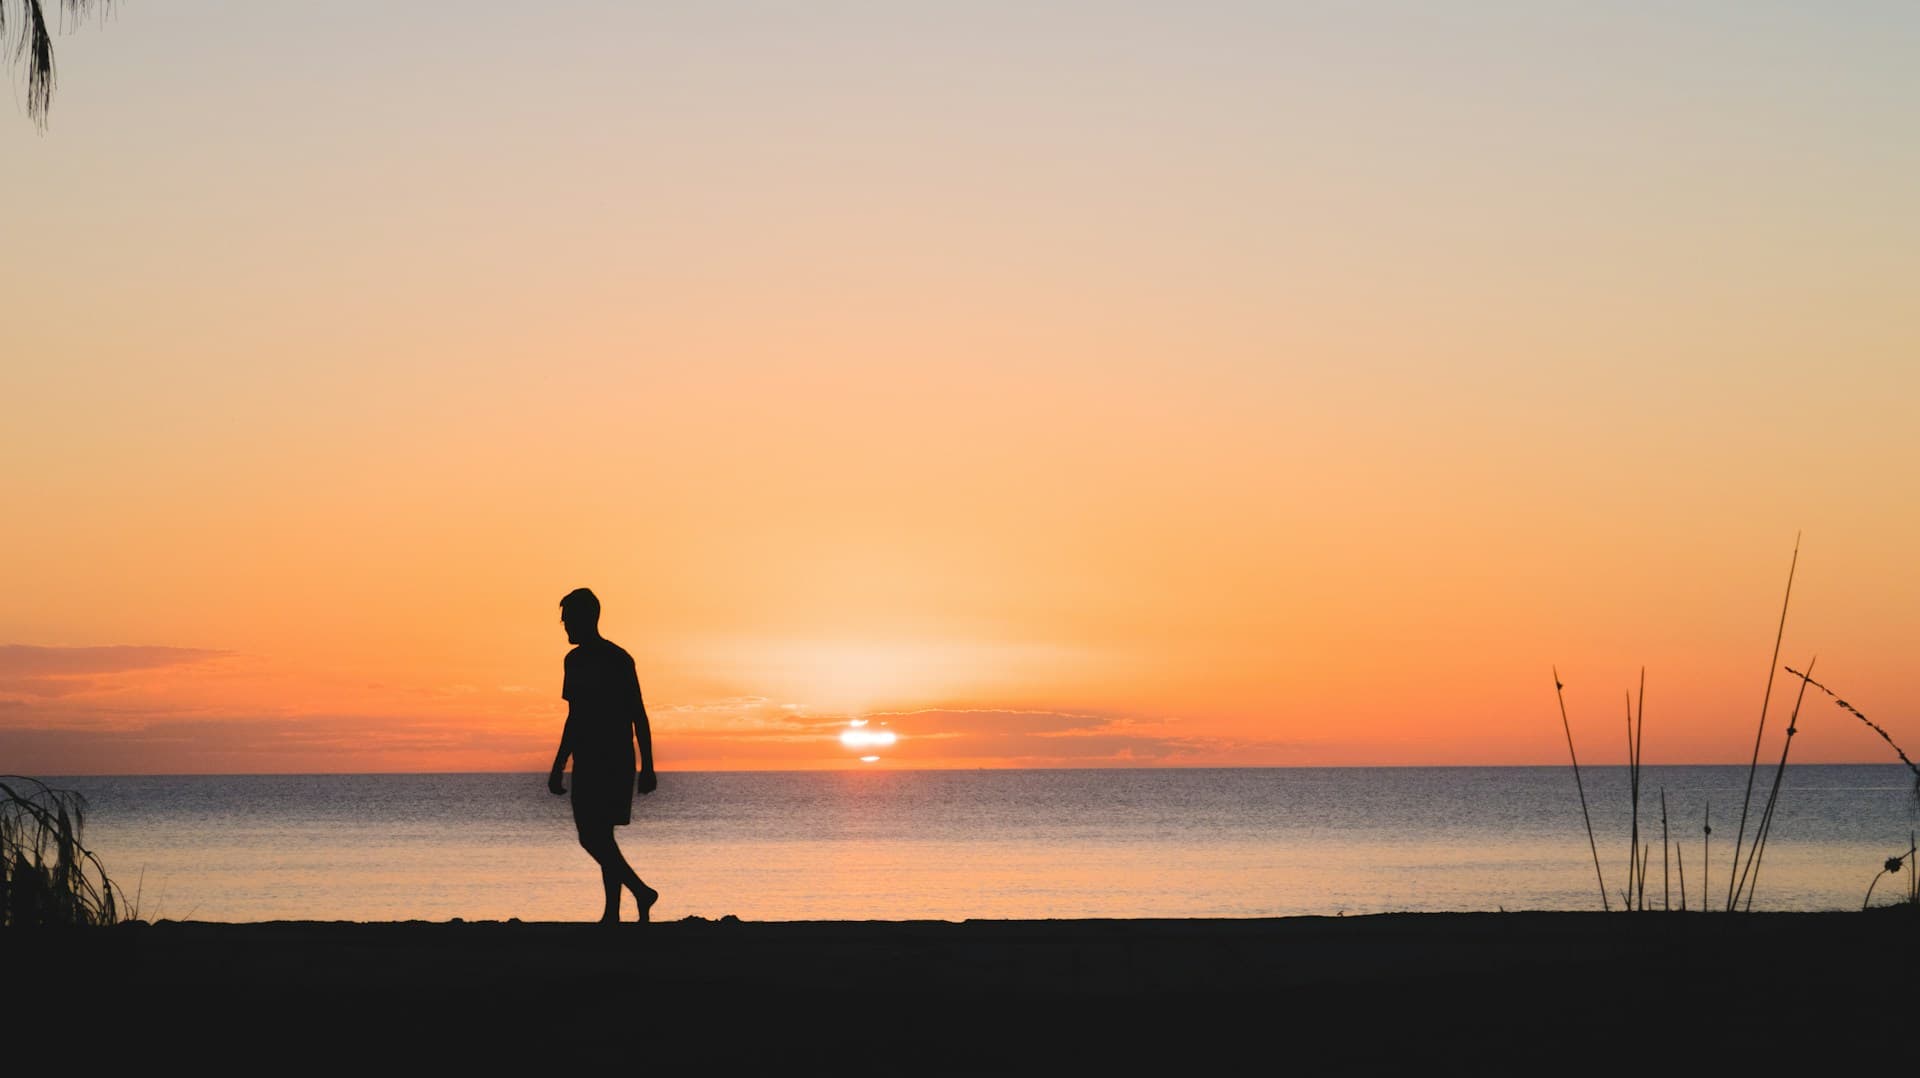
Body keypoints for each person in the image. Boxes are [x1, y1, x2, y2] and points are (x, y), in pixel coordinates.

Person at [548, 587, 659, 923]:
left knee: (594, 836)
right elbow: (575, 717)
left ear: (587, 618)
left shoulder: (618, 659)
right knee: (599, 836)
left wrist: (648, 766)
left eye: (569, 620)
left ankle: (637, 895)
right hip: (586, 758)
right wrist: (559, 764)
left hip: (614, 758)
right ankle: (615, 911)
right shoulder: (574, 661)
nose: (566, 627)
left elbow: (638, 713)